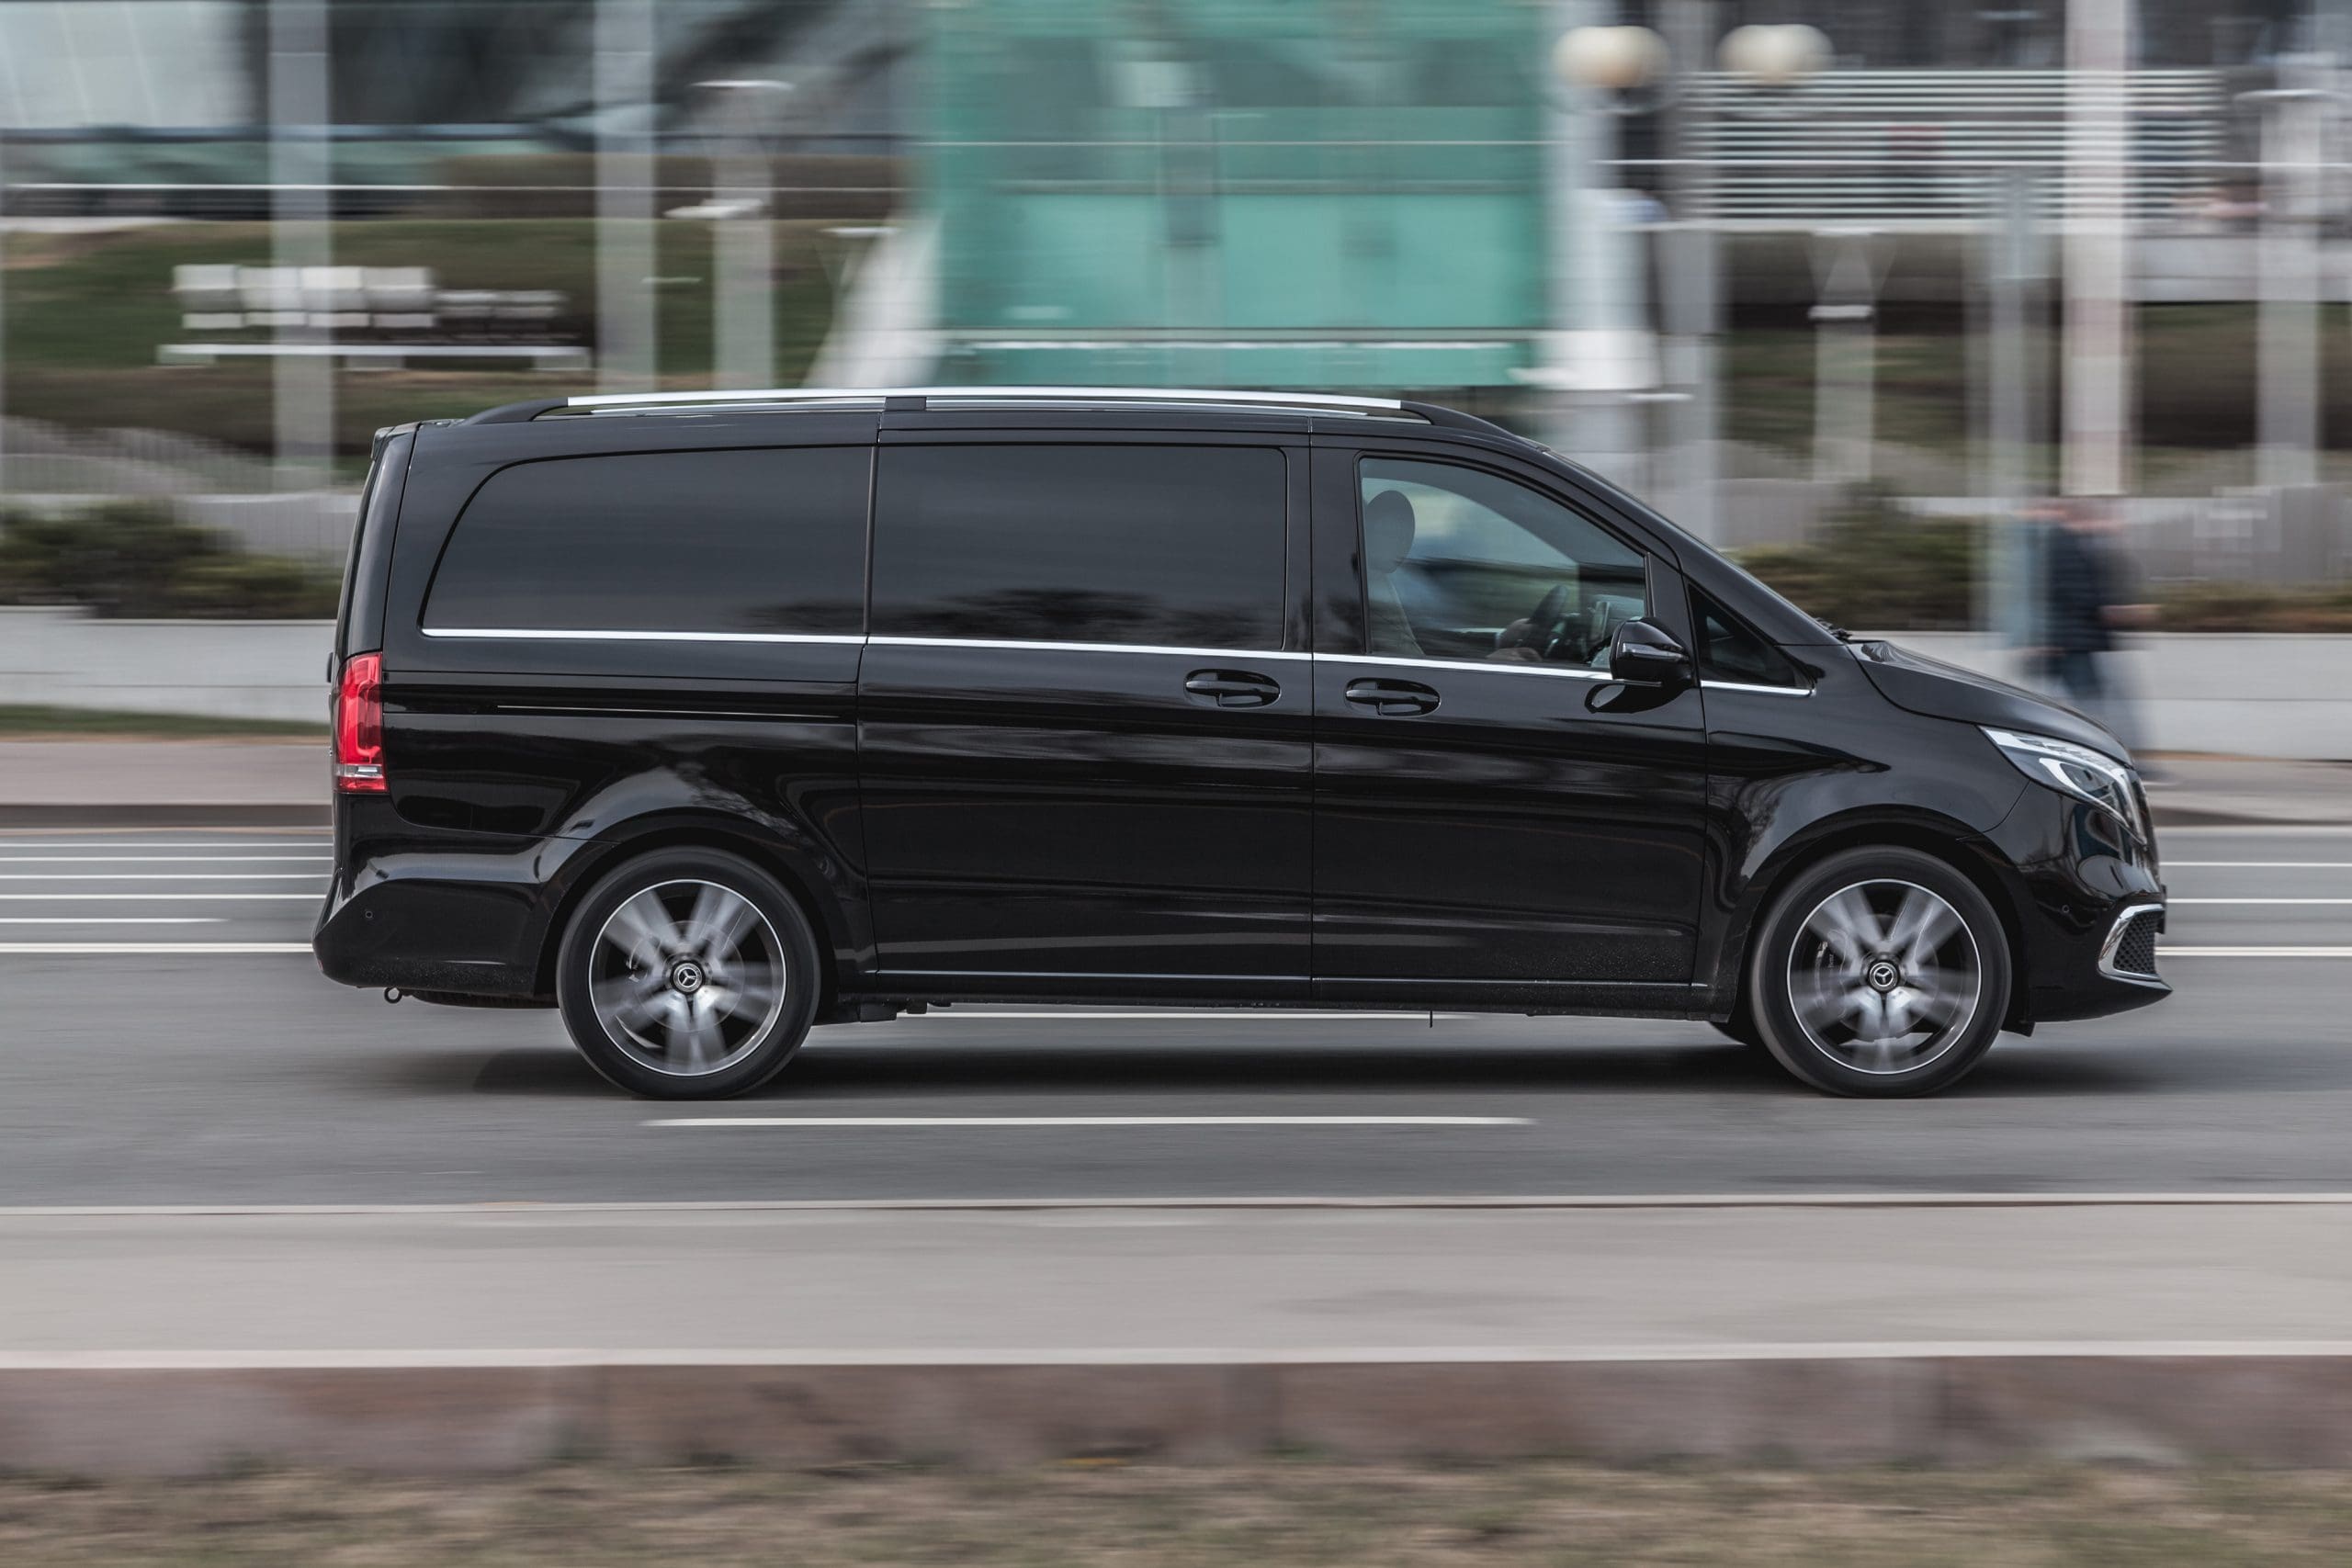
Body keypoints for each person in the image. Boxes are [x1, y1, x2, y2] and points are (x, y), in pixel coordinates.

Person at [2033, 496, 2157, 768]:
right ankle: (2113, 761)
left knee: (2084, 704)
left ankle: (2111, 760)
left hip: (2079, 640)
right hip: (2075, 641)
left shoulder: (2076, 545)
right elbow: (2076, 593)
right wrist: (2114, 610)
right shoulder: (2065, 545)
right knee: (2092, 707)